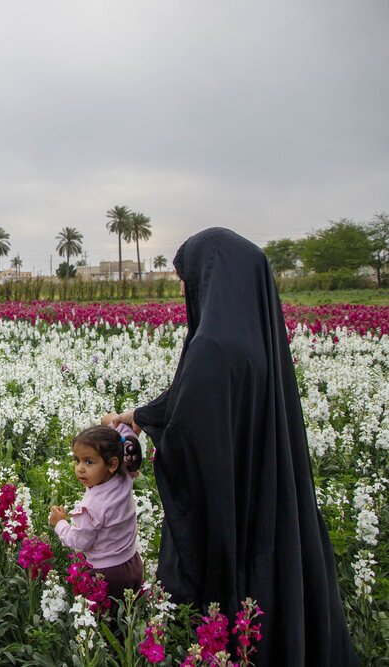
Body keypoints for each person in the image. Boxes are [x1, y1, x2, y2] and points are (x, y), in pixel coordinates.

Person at [111, 228, 357, 666]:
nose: (183, 287)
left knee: (223, 617)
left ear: (209, 276)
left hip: (228, 510)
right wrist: (139, 417)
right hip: (267, 493)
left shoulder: (210, 346)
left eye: (184, 277)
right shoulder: (254, 338)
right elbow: (191, 402)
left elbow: (191, 432)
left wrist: (143, 444)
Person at [48, 424, 144, 603]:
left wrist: (60, 523)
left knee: (107, 623)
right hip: (132, 563)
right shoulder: (124, 474)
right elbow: (128, 441)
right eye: (77, 460)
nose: (80, 469)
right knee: (130, 614)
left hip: (107, 574)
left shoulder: (91, 507)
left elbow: (79, 543)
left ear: (112, 463)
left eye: (89, 462)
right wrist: (118, 422)